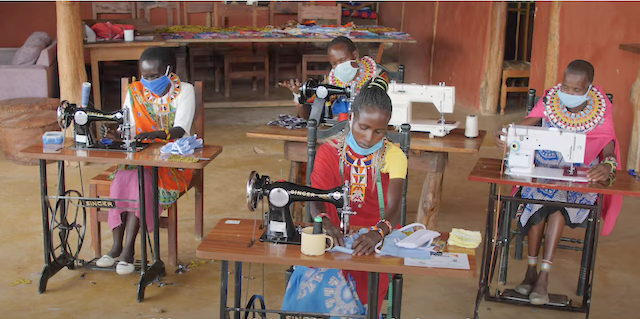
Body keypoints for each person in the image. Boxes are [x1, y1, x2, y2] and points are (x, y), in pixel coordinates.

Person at [493, 60, 622, 305]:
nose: (569, 93)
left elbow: (608, 146)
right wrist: (505, 133)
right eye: (565, 86)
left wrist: (606, 166)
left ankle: (542, 276)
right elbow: (526, 124)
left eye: (576, 90)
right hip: (545, 169)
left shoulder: (600, 107)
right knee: (540, 197)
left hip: (582, 175)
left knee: (557, 202)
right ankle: (532, 273)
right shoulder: (551, 100)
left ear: (589, 87)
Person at [281, 76, 407, 316]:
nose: (369, 137)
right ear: (351, 119)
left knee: (362, 275)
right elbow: (316, 198)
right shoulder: (329, 151)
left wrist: (377, 232)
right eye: (363, 127)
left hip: (378, 235)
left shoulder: (394, 156)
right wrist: (324, 222)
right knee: (311, 273)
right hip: (334, 234)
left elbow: (394, 208)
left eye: (379, 131)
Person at [95, 47, 196, 275]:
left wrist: (156, 135)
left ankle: (128, 250)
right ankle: (117, 247)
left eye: (154, 75)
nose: (148, 81)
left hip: (174, 160)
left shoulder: (185, 91)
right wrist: (114, 133)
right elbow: (126, 126)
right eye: (145, 76)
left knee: (142, 182)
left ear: (169, 71)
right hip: (140, 158)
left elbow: (180, 129)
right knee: (124, 178)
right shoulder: (135, 92)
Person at [279, 36, 387, 119]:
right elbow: (308, 115)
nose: (339, 66)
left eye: (343, 60)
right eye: (334, 64)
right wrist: (298, 95)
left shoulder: (376, 76)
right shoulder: (331, 82)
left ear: (355, 55)